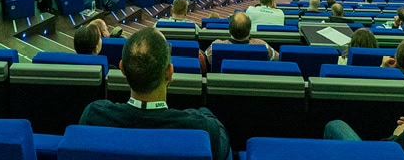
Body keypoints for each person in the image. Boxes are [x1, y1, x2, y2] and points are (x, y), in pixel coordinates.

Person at [79, 28, 231, 160]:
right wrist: (205, 112)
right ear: (170, 73)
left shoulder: (92, 115)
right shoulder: (204, 129)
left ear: (122, 68)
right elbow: (224, 147)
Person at [205, 12, 278, 62]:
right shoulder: (262, 46)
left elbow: (206, 59)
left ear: (229, 30)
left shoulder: (215, 46)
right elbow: (278, 58)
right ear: (249, 30)